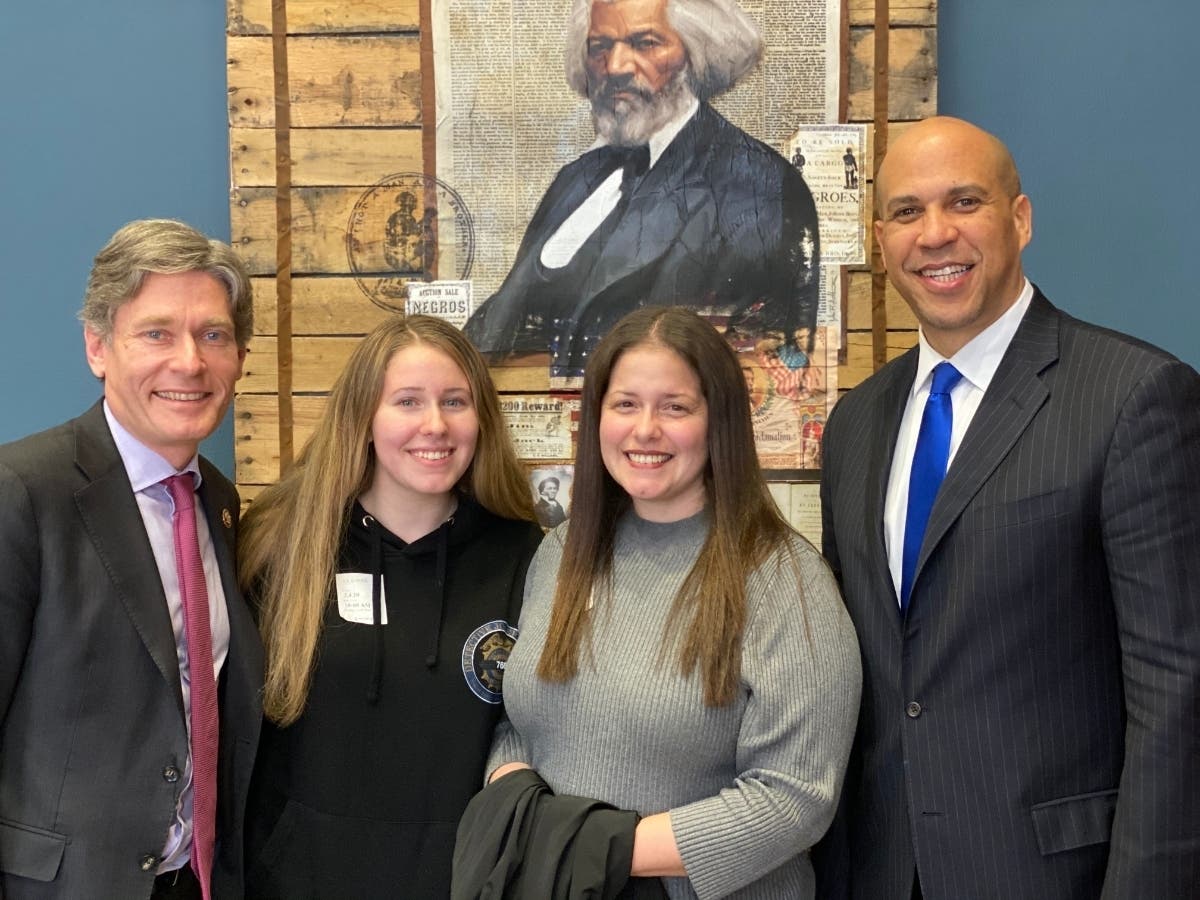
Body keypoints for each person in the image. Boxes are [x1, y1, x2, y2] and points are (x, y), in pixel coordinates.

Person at [815, 117, 1200, 899]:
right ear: (881, 239)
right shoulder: (856, 425)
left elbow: (1177, 690)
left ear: (1019, 218)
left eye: (964, 202)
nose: (935, 235)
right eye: (907, 212)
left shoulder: (1133, 397)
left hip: (1060, 875)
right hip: (884, 874)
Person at [487, 306, 861, 898]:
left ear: (719, 423)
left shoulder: (785, 580)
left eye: (675, 407)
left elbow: (795, 795)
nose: (645, 430)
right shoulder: (561, 553)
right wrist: (515, 799)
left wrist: (598, 848)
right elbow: (519, 713)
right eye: (626, 404)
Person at [0, 219, 263, 899]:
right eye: (156, 333)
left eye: (214, 335)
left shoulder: (222, 506)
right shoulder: (25, 493)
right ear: (97, 347)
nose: (190, 362)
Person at [239, 315, 543, 897]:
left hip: (460, 882)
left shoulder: (526, 557)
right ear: (364, 420)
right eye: (408, 401)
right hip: (295, 881)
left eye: (455, 401)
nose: (435, 424)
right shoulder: (282, 543)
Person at [463, 0, 820, 376]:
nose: (615, 67)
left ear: (695, 52)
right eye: (600, 47)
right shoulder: (576, 179)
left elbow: (765, 355)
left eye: (645, 43)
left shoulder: (758, 181)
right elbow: (504, 319)